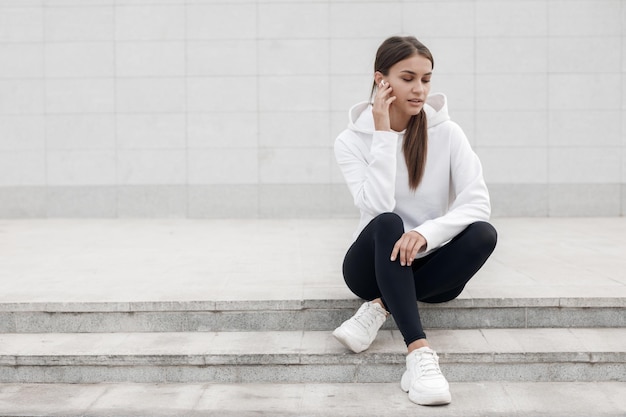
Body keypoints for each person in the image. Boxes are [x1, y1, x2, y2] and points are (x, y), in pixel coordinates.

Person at [332, 35, 497, 406]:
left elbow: (477, 203)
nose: (419, 89)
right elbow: (376, 206)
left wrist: (424, 234)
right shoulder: (350, 141)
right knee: (389, 221)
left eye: (426, 79)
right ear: (382, 81)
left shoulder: (448, 133)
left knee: (483, 234)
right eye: (408, 78)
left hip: (432, 268)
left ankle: (381, 307)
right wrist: (382, 134)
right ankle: (419, 353)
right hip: (371, 269)